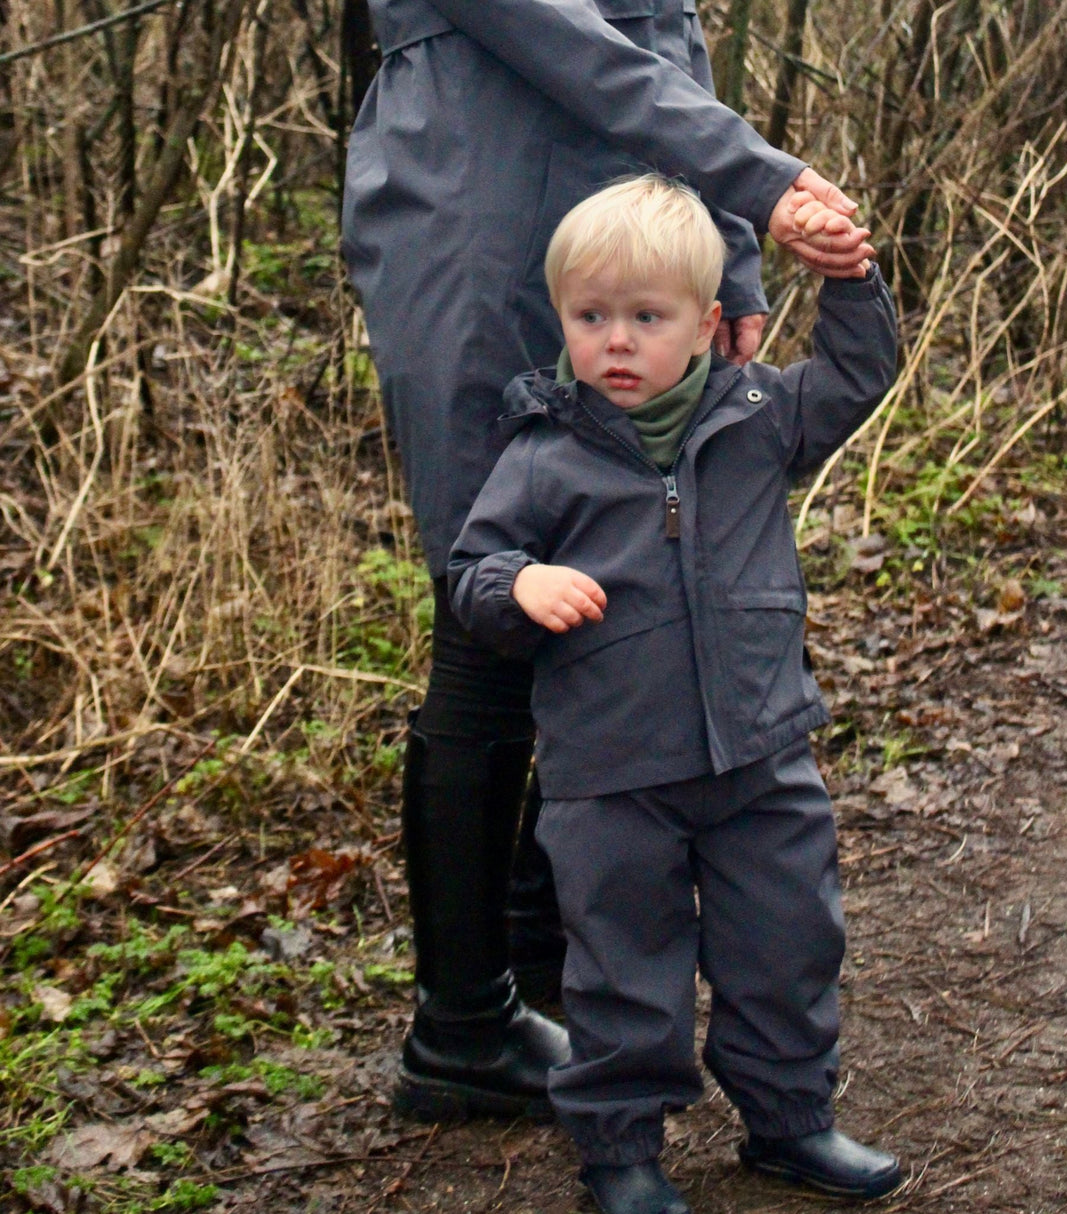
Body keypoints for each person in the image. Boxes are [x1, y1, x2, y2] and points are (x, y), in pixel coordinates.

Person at [341, 0, 875, 1122]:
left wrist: (728, 251)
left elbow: (659, 39)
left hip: (633, 205)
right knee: (496, 586)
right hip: (474, 193)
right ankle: (464, 1020)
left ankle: (549, 970)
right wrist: (759, 184)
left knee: (626, 573)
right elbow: (558, 36)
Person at [447, 175, 901, 1213]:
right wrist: (520, 582)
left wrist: (849, 278)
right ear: (560, 317)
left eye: (644, 319)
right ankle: (620, 1150)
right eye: (589, 316)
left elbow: (855, 371)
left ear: (703, 326)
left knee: (786, 942)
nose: (614, 341)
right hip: (612, 776)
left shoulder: (759, 418)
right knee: (621, 967)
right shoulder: (541, 450)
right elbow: (476, 571)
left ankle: (790, 1121)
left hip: (759, 751)